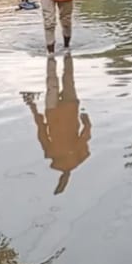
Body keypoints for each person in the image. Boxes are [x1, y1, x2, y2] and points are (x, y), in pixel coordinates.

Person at [22, 54, 91, 195]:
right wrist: (32, 106)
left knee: (68, 77)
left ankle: (65, 54)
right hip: (55, 112)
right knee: (52, 78)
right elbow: (41, 129)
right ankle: (53, 56)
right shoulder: (52, 153)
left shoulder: (74, 157)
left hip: (68, 110)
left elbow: (85, 137)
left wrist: (87, 123)